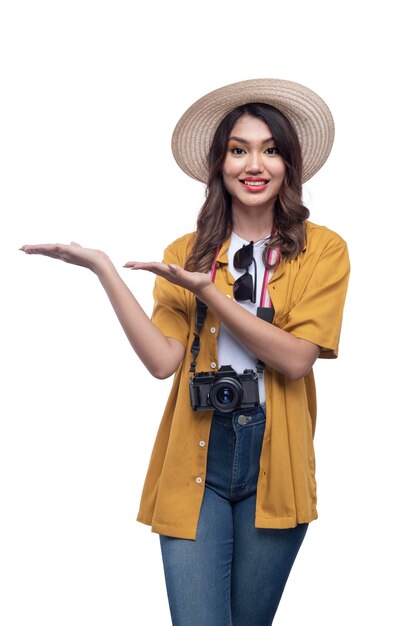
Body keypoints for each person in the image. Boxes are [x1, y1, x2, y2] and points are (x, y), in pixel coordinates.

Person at [20, 78, 351, 626]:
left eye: (270, 150)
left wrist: (208, 293)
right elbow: (162, 362)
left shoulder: (323, 250)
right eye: (238, 149)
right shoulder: (186, 253)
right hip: (197, 450)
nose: (255, 163)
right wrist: (105, 270)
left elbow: (296, 360)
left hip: (276, 454)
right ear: (219, 164)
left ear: (289, 163)